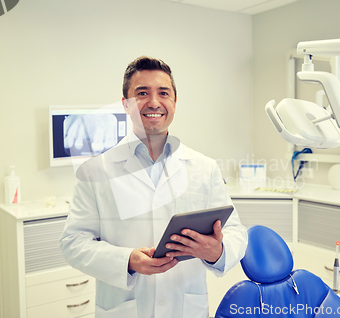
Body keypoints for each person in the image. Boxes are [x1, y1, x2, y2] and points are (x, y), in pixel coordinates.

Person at [59, 56, 248, 318]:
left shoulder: (204, 167)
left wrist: (218, 251)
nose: (154, 102)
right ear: (125, 104)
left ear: (174, 102)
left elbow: (235, 231)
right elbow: (73, 242)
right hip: (124, 308)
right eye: (142, 93)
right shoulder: (95, 171)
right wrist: (127, 261)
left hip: (186, 308)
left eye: (163, 93)